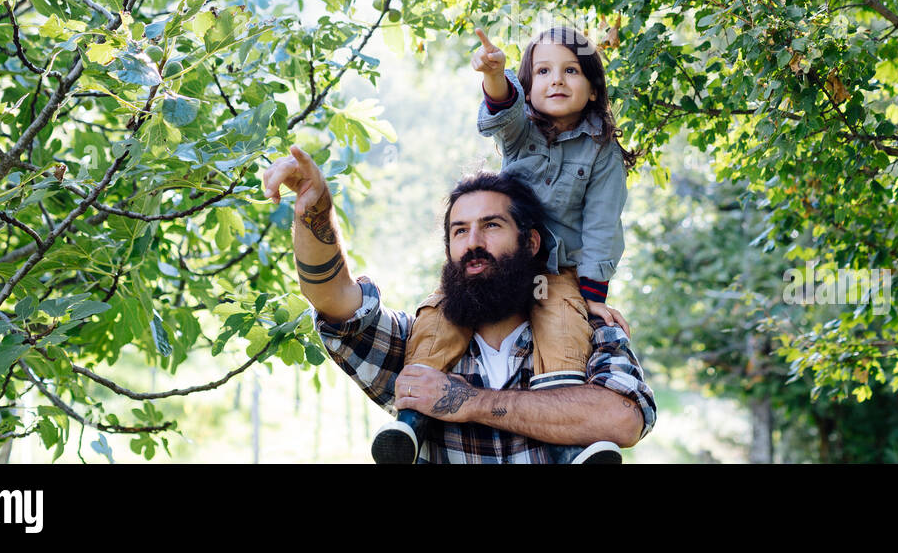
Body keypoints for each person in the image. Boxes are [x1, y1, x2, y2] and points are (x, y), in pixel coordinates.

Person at [261, 145, 655, 463]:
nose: (473, 243)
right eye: (460, 231)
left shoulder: (586, 329)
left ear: (531, 243)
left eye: (492, 225)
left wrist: (470, 402)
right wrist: (316, 208)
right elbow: (334, 299)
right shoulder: (416, 343)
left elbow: (621, 418)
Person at [376, 25, 639, 463]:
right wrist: (496, 76)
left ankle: (573, 449)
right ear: (529, 85)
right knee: (439, 318)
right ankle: (409, 426)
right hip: (500, 262)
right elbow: (504, 111)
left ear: (593, 89)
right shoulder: (523, 134)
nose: (556, 80)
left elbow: (602, 225)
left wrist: (593, 296)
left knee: (562, 330)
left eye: (571, 70)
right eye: (543, 71)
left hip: (555, 273)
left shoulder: (602, 151)